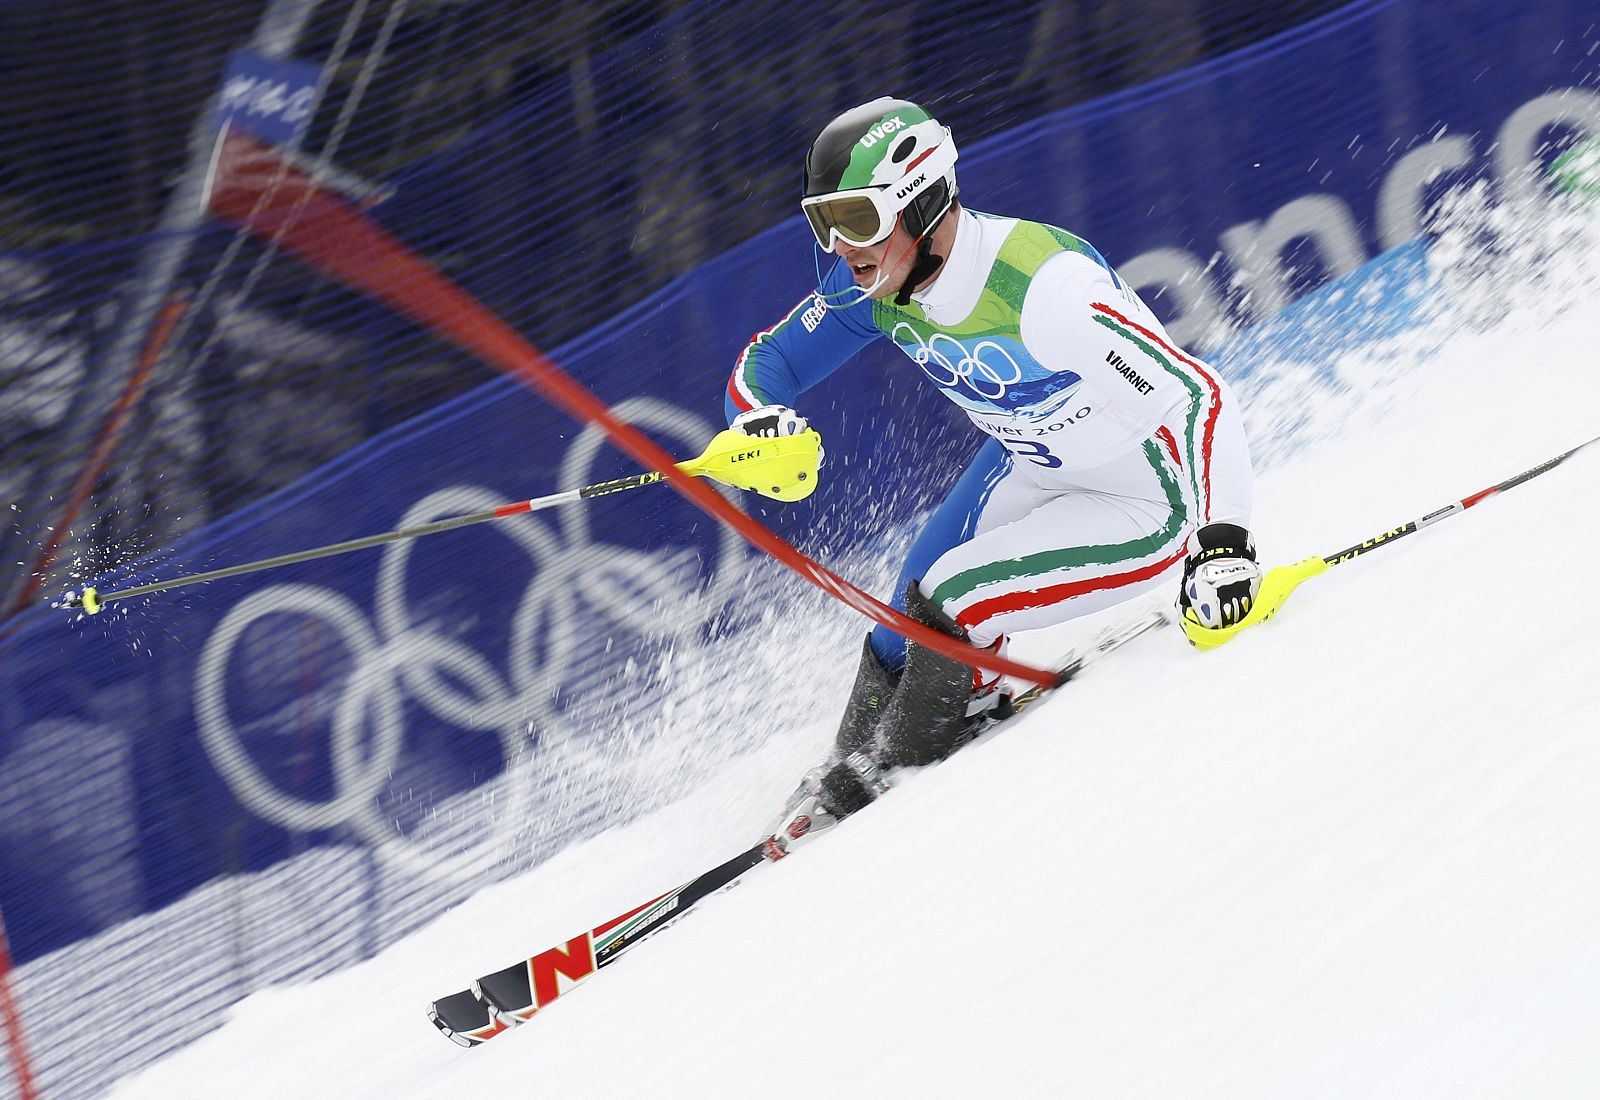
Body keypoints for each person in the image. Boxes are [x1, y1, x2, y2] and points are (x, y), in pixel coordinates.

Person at [723, 97, 1258, 859]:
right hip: (1033, 465)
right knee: (899, 626)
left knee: (953, 599)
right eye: (824, 222)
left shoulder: (1044, 289)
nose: (843, 247)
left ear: (925, 199)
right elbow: (765, 364)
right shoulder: (873, 288)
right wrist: (756, 420)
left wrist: (1226, 539)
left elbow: (1196, 394)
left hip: (1145, 498)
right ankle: (845, 773)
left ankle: (897, 778)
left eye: (858, 220)